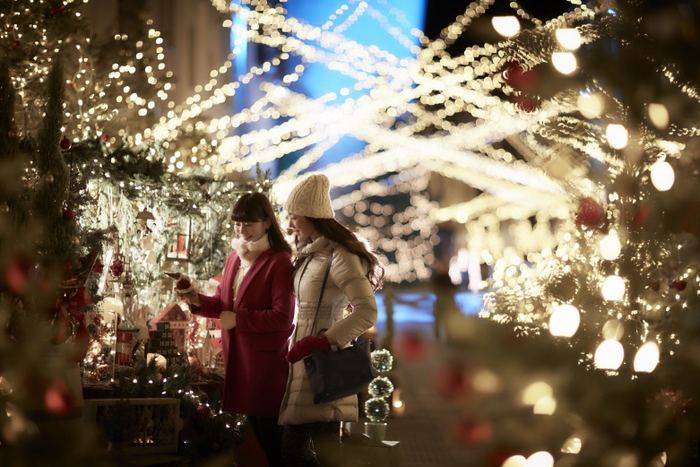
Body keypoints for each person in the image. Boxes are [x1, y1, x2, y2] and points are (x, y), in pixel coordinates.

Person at [176, 192, 295, 467]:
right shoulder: (234, 258)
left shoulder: (279, 261)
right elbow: (221, 305)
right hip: (238, 359)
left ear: (267, 222)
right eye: (237, 224)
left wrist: (239, 320)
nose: (242, 231)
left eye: (249, 224)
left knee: (272, 440)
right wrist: (194, 299)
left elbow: (283, 317)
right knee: (263, 437)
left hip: (264, 363)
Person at [278, 173, 384, 467]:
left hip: (324, 360)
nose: (290, 223)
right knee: (316, 451)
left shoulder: (340, 256)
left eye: (294, 216)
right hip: (305, 358)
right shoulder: (310, 254)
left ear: (313, 216)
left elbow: (367, 311)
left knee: (303, 450)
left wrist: (321, 340)